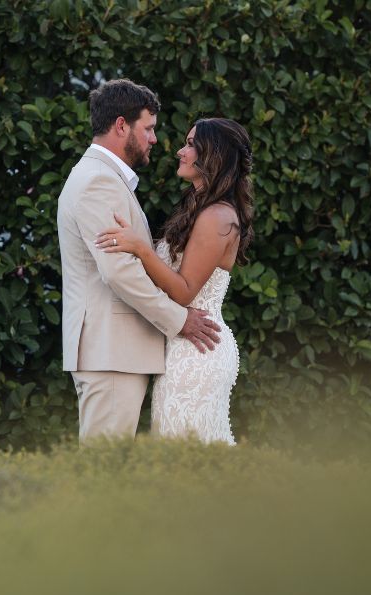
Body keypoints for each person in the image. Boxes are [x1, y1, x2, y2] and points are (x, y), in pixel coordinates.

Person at [56, 79, 221, 443]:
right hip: (111, 351)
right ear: (120, 125)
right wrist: (179, 320)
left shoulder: (102, 178)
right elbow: (119, 273)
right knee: (105, 473)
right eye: (148, 128)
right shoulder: (98, 181)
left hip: (115, 351)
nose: (154, 139)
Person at [94, 118, 254, 444]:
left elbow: (183, 292)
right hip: (182, 345)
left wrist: (140, 248)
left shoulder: (218, 217)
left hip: (197, 350)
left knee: (186, 458)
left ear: (214, 154)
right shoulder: (200, 209)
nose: (181, 151)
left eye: (192, 144)